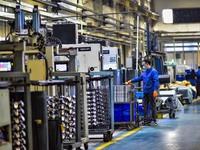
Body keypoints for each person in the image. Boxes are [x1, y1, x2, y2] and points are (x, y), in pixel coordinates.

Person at [125, 59, 159, 126]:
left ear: (147, 64)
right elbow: (139, 78)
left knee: (152, 106)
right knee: (144, 106)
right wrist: (131, 81)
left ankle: (153, 120)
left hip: (151, 92)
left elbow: (156, 81)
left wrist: (155, 90)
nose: (143, 66)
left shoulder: (153, 71)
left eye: (143, 65)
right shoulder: (145, 72)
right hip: (145, 92)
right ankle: (146, 120)